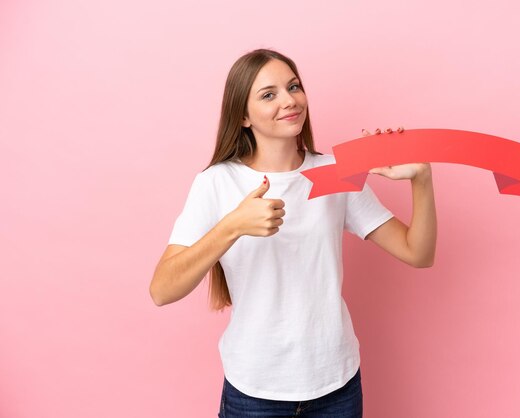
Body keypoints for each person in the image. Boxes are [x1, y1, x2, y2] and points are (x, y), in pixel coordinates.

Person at [149, 48, 437, 418]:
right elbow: (161, 290)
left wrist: (422, 180)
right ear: (243, 116)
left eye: (294, 86)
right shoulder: (217, 183)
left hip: (337, 383)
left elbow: (418, 253)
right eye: (269, 95)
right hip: (254, 390)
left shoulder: (337, 173)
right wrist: (232, 226)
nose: (289, 101)